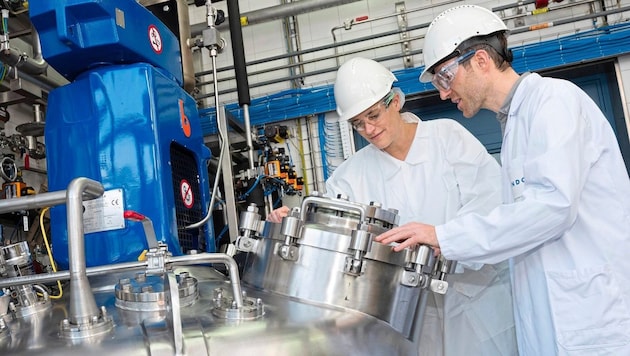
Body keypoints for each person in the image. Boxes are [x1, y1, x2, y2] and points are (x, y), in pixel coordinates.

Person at [376, 4, 630, 356]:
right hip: (554, 319)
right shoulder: (513, 125)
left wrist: (444, 235)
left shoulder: (553, 102)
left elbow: (552, 208)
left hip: (592, 320)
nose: (444, 93)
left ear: (481, 60)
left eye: (445, 77)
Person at [268, 57, 517, 356]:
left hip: (477, 297)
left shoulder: (447, 138)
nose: (369, 129)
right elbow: (330, 229)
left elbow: (490, 203)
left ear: (395, 101)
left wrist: (443, 240)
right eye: (358, 124)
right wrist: (293, 224)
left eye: (373, 115)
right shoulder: (349, 177)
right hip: (409, 314)